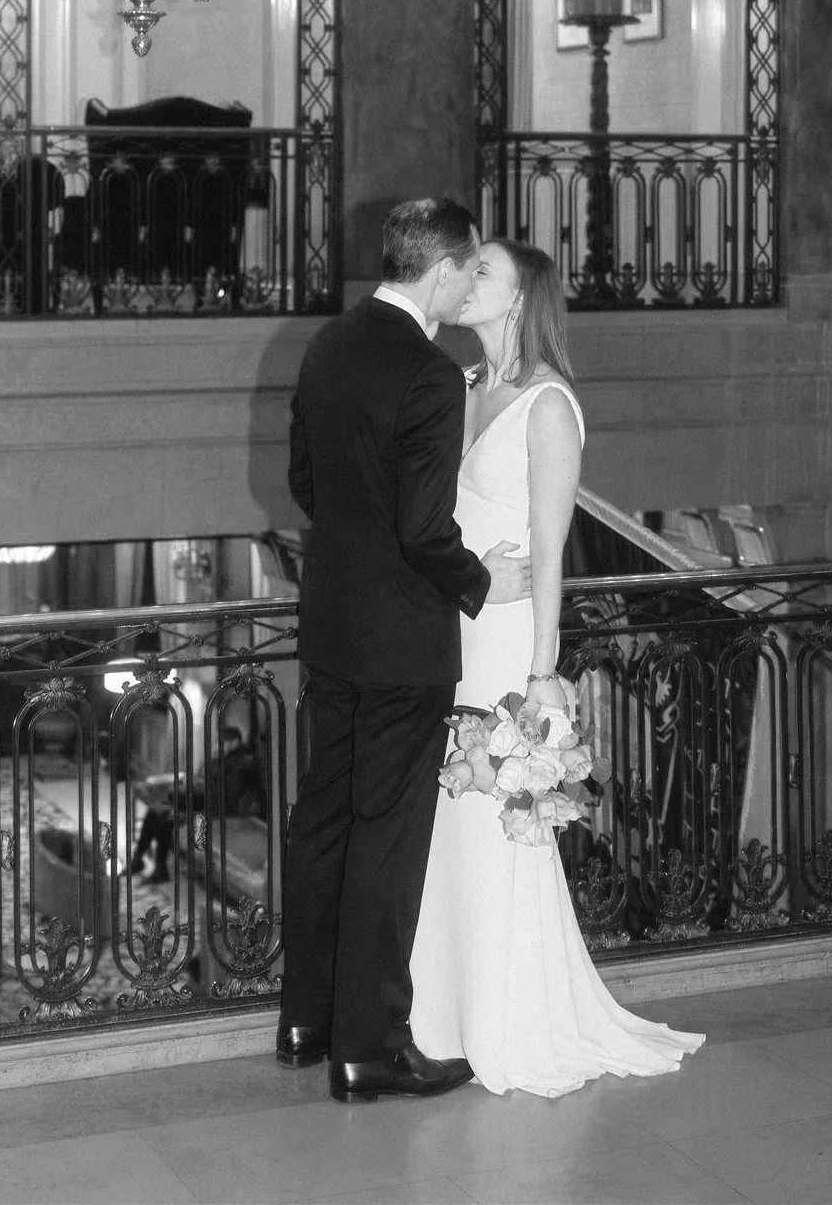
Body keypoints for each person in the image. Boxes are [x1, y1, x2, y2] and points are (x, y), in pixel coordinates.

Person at [410, 238, 705, 1095]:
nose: (466, 282)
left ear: (520, 296)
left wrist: (540, 678)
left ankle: (507, 1018)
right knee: (447, 823)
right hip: (450, 635)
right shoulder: (461, 386)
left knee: (501, 822)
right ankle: (440, 1013)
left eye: (484, 273)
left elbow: (550, 551)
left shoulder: (547, 405)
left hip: (504, 647)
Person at [278, 198, 532, 1104]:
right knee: (385, 843)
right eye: (468, 271)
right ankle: (370, 1047)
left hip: (333, 626)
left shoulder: (328, 345)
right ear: (441, 270)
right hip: (401, 644)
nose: (470, 286)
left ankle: (305, 1021)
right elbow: (427, 531)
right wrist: (480, 583)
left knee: (324, 823)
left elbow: (305, 482)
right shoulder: (426, 376)